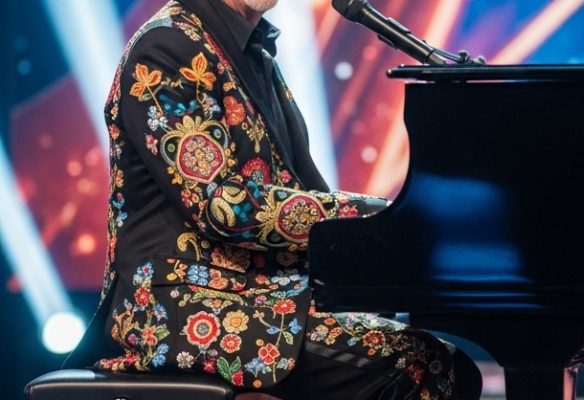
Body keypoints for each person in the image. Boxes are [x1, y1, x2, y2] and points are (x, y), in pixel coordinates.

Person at [66, 0, 482, 398]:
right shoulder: (166, 47)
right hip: (178, 310)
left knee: (447, 362)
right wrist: (379, 215)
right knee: (418, 363)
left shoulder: (252, 53)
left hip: (262, 297)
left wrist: (388, 235)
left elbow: (307, 190)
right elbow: (224, 207)